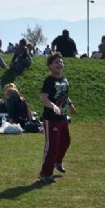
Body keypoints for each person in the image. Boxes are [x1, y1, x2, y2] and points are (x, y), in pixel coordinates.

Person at [38, 53, 76, 184]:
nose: (59, 64)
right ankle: (45, 174)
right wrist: (53, 106)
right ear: (50, 66)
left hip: (63, 117)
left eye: (61, 62)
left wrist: (71, 105)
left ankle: (57, 162)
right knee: (52, 146)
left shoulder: (64, 79)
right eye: (56, 63)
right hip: (51, 118)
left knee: (66, 141)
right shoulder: (49, 81)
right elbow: (43, 98)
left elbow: (64, 95)